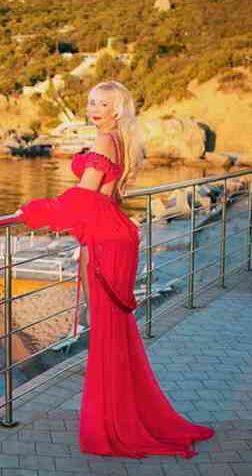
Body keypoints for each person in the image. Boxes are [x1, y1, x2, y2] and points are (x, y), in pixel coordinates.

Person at [12, 81, 215, 459]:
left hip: (105, 243)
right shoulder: (121, 139)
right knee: (112, 334)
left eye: (103, 103)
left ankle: (112, 427)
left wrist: (37, 211)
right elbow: (107, 196)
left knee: (106, 334)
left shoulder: (106, 140)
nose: (94, 108)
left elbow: (85, 195)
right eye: (91, 101)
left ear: (117, 109)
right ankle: (118, 416)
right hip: (113, 237)